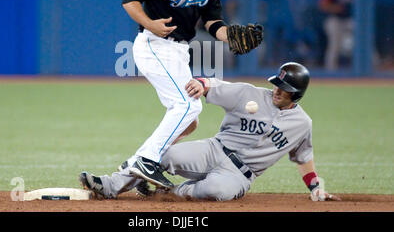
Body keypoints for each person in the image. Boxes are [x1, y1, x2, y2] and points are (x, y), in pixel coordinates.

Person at [110, 0, 262, 190]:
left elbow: (212, 21)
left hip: (179, 51)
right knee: (187, 105)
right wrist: (149, 23)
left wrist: (230, 36)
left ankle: (130, 173)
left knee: (190, 122)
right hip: (154, 44)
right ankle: (147, 160)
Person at [79, 62, 340, 202]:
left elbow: (304, 157)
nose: (276, 89)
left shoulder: (302, 124)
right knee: (164, 156)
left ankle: (168, 194)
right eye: (276, 83)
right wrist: (200, 83)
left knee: (215, 191)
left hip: (239, 175)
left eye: (283, 87)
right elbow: (213, 85)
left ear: (296, 94)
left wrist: (315, 187)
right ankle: (110, 185)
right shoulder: (249, 93)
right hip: (213, 149)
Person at [318, 0, 354, 70]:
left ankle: (372, 65)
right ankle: (331, 70)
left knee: (362, 40)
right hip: (334, 19)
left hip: (348, 20)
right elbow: (323, 5)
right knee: (334, 46)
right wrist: (335, 8)